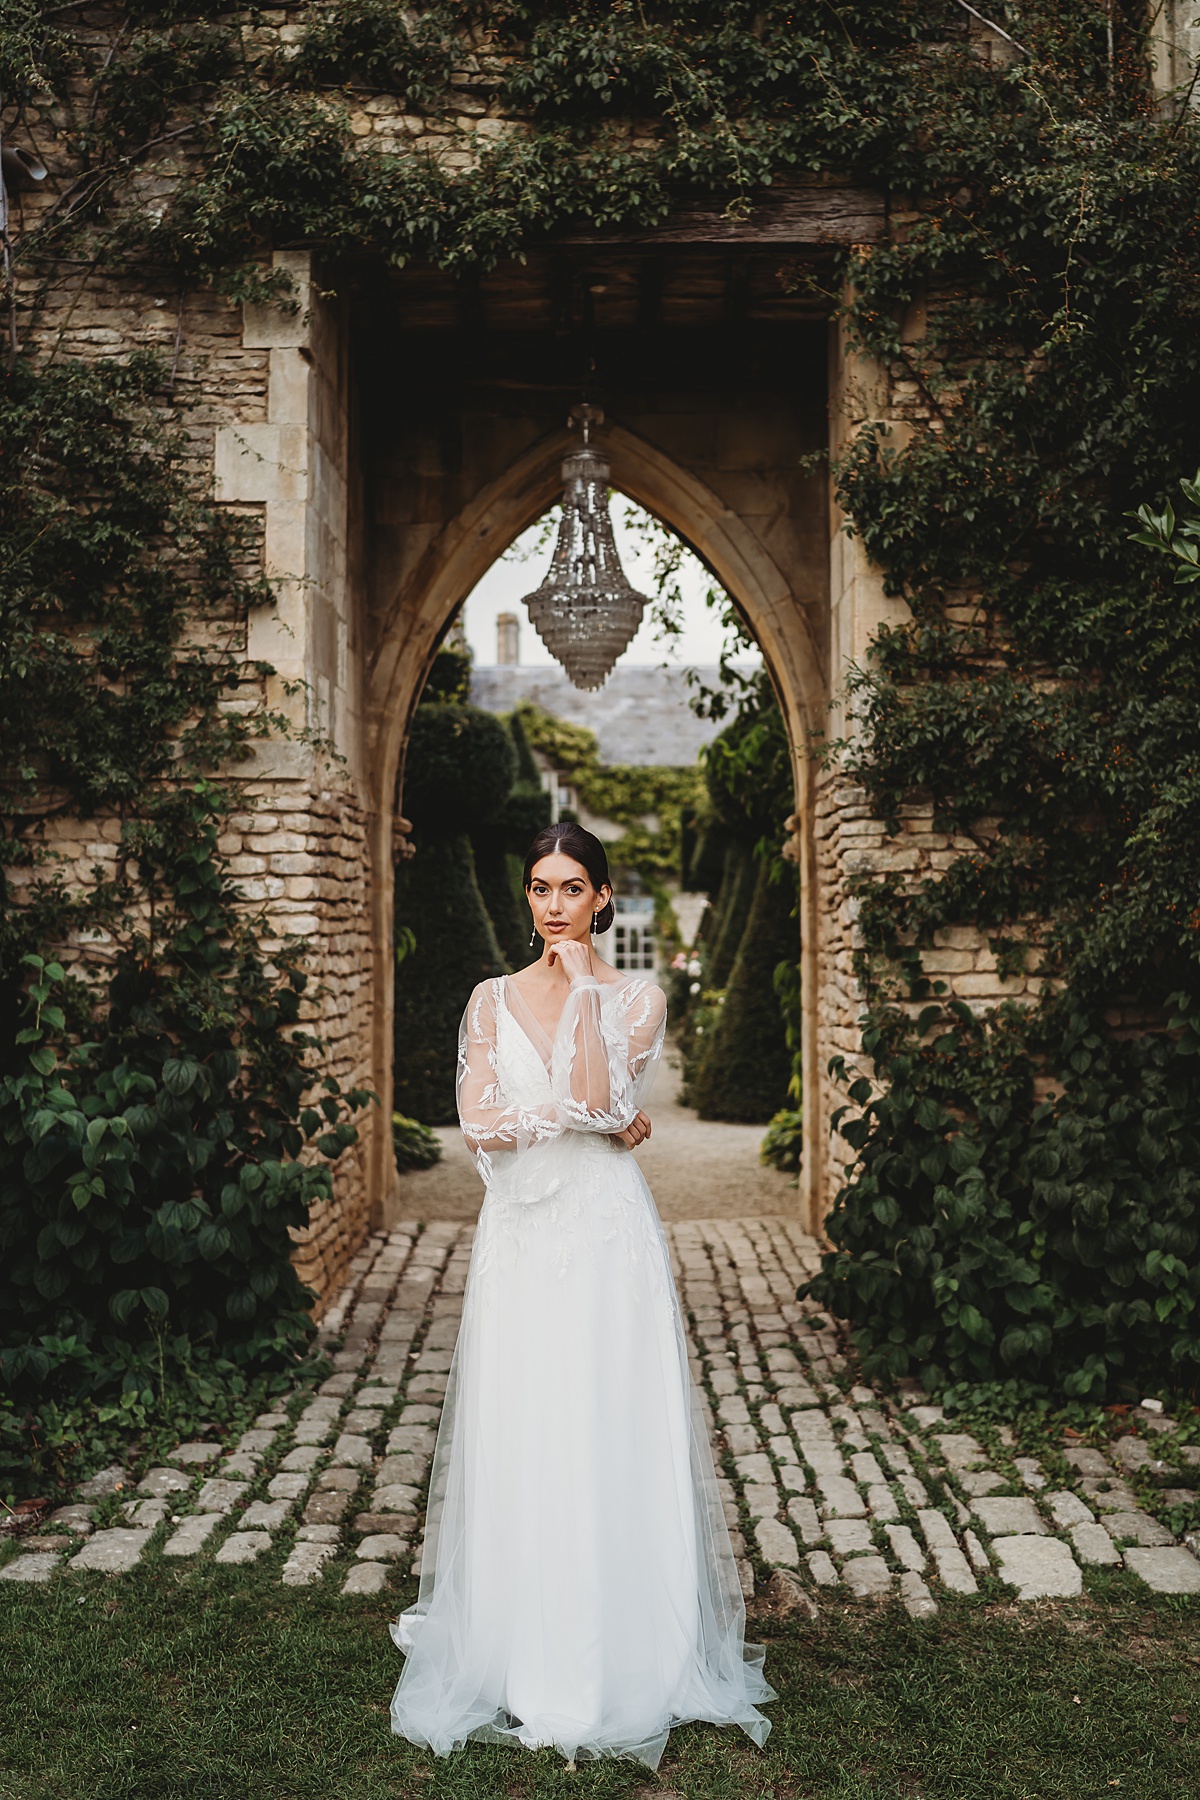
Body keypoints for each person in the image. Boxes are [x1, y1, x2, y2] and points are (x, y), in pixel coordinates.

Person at [389, 822, 773, 1769]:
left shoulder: (638, 996)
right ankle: (524, 1648)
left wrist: (587, 998)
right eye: (538, 888)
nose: (552, 905)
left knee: (607, 1416)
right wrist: (580, 1116)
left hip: (605, 1232)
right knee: (528, 1419)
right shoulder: (488, 999)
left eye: (570, 888)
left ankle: (626, 1652)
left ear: (602, 898)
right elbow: (478, 1121)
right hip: (522, 1238)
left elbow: (606, 1097)